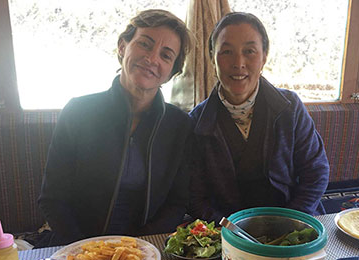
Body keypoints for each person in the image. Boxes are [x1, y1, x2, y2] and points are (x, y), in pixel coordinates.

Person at [38, 9, 194, 246]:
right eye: (144, 44)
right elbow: (53, 199)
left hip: (145, 249)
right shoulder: (78, 111)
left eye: (166, 55)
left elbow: (177, 202)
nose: (152, 59)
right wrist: (89, 250)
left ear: (172, 71)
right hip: (77, 246)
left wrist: (137, 247)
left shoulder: (179, 125)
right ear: (123, 46)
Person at [188, 12, 329, 224]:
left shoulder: (290, 108)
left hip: (293, 224)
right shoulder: (197, 122)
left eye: (249, 51)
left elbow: (316, 172)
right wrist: (233, 231)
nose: (238, 63)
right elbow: (195, 197)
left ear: (264, 57)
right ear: (212, 58)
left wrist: (289, 225)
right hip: (227, 232)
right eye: (226, 52)